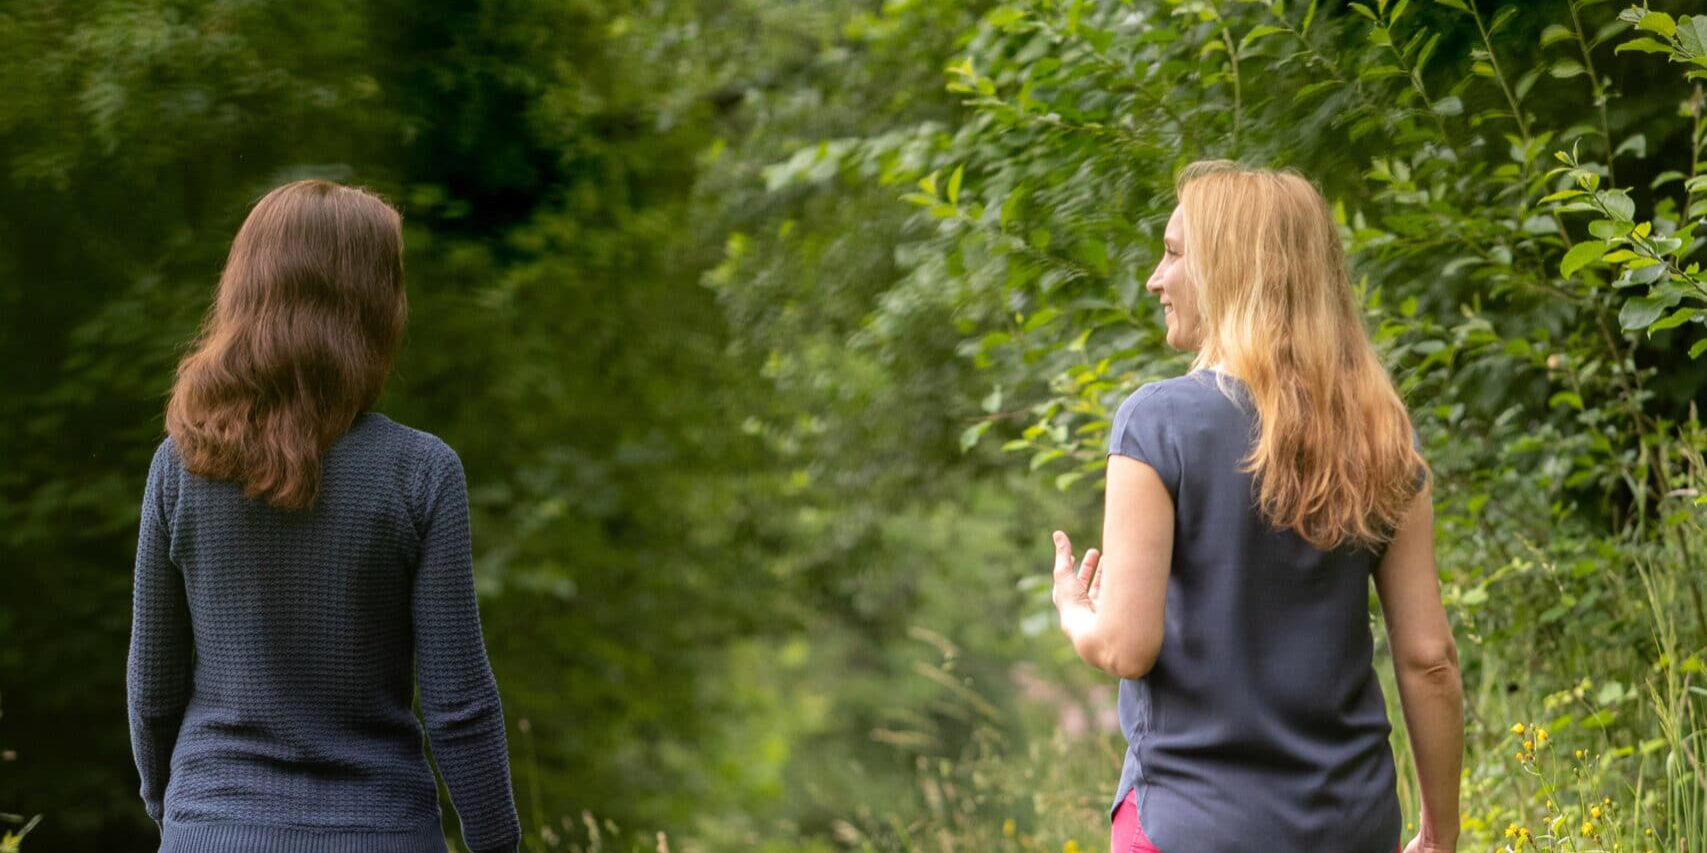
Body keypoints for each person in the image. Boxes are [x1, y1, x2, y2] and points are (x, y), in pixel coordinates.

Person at [1048, 160, 1463, 853]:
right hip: (1351, 825)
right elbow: (1429, 659)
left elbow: (1124, 644)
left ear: (1231, 270)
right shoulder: (1382, 433)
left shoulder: (1156, 422)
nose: (1155, 278)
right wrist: (1439, 833)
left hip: (1187, 823)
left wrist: (1071, 608)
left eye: (1174, 254)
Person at [126, 179, 522, 852]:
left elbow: (152, 689)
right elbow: (460, 705)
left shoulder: (182, 465)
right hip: (380, 832)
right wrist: (497, 843)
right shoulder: (420, 471)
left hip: (211, 830)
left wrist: (182, 814)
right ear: (375, 306)